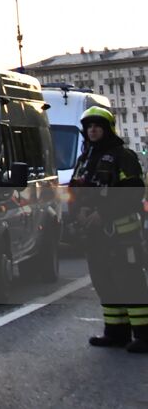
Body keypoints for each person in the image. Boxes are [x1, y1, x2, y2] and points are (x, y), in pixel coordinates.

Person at [67, 104, 148, 352]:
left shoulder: (124, 157)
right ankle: (115, 333)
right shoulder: (85, 159)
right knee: (105, 283)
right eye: (89, 127)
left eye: (97, 126)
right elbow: (73, 191)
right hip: (96, 237)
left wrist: (104, 213)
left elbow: (134, 192)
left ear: (107, 129)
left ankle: (144, 336)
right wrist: (77, 210)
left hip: (122, 236)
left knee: (130, 284)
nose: (92, 131)